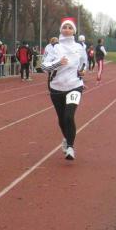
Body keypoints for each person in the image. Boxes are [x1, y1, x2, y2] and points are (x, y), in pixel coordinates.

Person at [41, 18, 88, 161]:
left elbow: (84, 63)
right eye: (65, 27)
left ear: (74, 31)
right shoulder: (54, 47)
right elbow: (44, 67)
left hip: (75, 85)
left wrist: (83, 70)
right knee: (62, 119)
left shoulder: (79, 47)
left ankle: (70, 147)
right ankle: (67, 139)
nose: (67, 29)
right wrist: (58, 63)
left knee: (69, 116)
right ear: (61, 30)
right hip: (56, 87)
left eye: (70, 27)